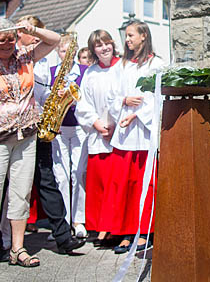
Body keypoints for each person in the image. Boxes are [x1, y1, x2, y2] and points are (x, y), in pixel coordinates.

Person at [0, 18, 59, 274]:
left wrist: (31, 30)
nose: (6, 43)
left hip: (25, 136)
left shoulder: (25, 56)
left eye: (10, 37)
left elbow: (55, 40)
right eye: (0, 38)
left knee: (21, 193)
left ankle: (18, 248)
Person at [0, 17, 85, 256]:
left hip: (38, 127)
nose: (34, 37)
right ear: (17, 35)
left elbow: (54, 41)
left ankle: (63, 237)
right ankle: (0, 239)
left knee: (47, 181)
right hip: (11, 129)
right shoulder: (12, 59)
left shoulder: (45, 61)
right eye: (28, 32)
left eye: (36, 31)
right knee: (7, 187)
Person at [104, 20, 164, 254]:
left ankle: (145, 231)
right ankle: (125, 231)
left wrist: (137, 114)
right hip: (125, 131)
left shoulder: (157, 64)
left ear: (143, 36)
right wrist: (123, 102)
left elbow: (157, 96)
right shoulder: (122, 65)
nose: (127, 40)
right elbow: (112, 94)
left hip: (144, 130)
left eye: (131, 35)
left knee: (144, 182)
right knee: (124, 183)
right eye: (126, 36)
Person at [76, 29, 121, 244]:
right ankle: (100, 226)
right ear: (93, 49)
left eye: (106, 44)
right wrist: (95, 123)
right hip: (97, 133)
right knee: (100, 184)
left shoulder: (122, 68)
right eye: (98, 45)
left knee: (116, 184)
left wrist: (114, 125)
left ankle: (115, 227)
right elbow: (82, 102)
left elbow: (125, 97)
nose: (104, 48)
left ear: (112, 45)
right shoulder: (90, 72)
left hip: (119, 133)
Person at [49, 35, 88, 237]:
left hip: (79, 127)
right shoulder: (51, 73)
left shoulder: (84, 71)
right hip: (59, 128)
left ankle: (78, 219)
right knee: (62, 176)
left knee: (78, 172)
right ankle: (63, 222)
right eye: (63, 51)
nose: (67, 55)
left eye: (70, 51)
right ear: (57, 52)